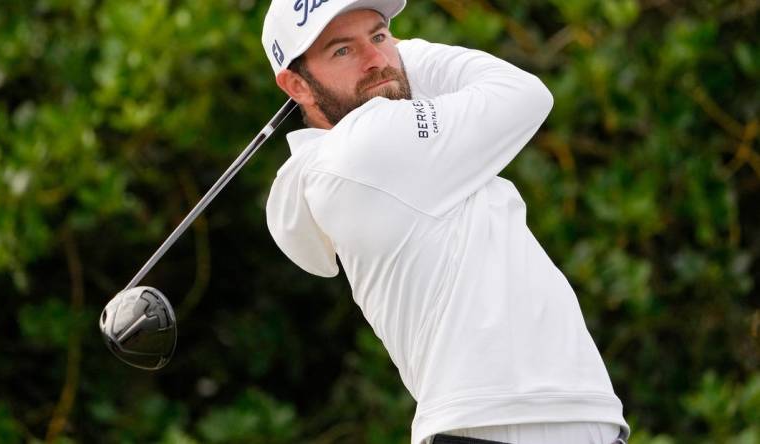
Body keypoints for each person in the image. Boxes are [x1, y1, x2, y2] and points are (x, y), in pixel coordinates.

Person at [261, 1, 630, 443]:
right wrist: (406, 50)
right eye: (343, 51)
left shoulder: (347, 158)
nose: (377, 60)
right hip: (498, 424)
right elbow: (525, 93)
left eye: (379, 36)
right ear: (296, 85)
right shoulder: (365, 145)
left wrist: (374, 57)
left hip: (551, 418)